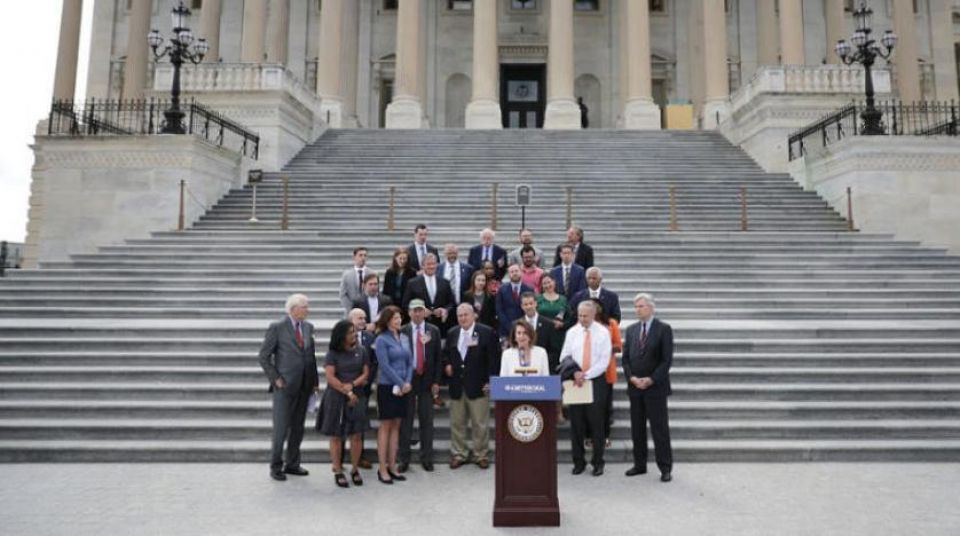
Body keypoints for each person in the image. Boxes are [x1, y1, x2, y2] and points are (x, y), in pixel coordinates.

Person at [258, 293, 319, 481]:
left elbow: (311, 356)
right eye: (305, 307)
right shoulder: (277, 328)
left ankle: (292, 463)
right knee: (281, 429)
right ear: (293, 309)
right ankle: (276, 466)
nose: (308, 310)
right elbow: (263, 356)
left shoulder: (308, 328)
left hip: (304, 385)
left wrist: (315, 381)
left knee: (298, 428)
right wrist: (275, 378)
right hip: (284, 386)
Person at [621, 293, 674, 482]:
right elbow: (625, 359)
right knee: (637, 428)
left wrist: (651, 379)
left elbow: (666, 360)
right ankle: (639, 464)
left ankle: (665, 467)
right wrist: (632, 378)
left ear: (651, 308)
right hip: (635, 388)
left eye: (641, 306)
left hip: (655, 388)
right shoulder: (631, 330)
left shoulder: (663, 329)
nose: (638, 310)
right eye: (636, 307)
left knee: (659, 429)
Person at [444, 303, 501, 469]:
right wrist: (447, 364)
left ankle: (480, 454)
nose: (462, 318)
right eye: (459, 315)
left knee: (480, 423)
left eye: (465, 315)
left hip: (478, 385)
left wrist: (491, 381)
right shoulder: (452, 333)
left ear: (473, 315)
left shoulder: (486, 332)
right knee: (457, 423)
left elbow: (493, 359)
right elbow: (447, 354)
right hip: (457, 385)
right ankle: (459, 453)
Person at [560, 300, 611, 476]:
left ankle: (598, 462)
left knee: (597, 424)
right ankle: (578, 462)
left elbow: (604, 361)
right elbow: (564, 356)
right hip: (575, 381)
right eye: (580, 315)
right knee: (576, 424)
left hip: (595, 381)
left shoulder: (603, 332)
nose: (582, 319)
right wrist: (575, 373)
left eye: (585, 316)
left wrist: (586, 375)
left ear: (594, 314)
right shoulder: (572, 332)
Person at [319, 320, 370, 488]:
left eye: (354, 331)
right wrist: (347, 391)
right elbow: (330, 377)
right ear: (341, 335)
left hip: (358, 396)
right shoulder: (332, 353)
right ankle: (338, 470)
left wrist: (353, 385)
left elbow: (365, 373)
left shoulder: (361, 350)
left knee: (356, 435)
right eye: (350, 332)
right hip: (336, 397)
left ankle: (355, 469)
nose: (354, 334)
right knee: (336, 435)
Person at [398, 300, 443, 473]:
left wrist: (437, 381)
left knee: (427, 420)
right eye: (414, 311)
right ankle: (404, 459)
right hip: (409, 380)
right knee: (406, 422)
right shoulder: (402, 331)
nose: (417, 314)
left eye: (420, 310)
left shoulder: (434, 331)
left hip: (427, 380)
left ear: (424, 312)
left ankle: (427, 457)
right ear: (409, 313)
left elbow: (439, 357)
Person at [373, 306, 413, 484]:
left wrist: (408, 382)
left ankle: (392, 465)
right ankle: (382, 468)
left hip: (404, 387)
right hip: (388, 387)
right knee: (386, 426)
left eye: (400, 318)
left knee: (397, 426)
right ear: (388, 320)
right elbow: (384, 365)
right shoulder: (382, 339)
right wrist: (400, 382)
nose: (399, 321)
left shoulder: (404, 337)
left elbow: (410, 361)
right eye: (396, 318)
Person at [347, 308, 376, 470]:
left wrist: (367, 380)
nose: (363, 321)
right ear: (350, 320)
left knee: (359, 424)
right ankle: (342, 455)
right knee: (344, 423)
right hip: (345, 388)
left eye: (364, 318)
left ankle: (359, 456)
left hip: (363, 388)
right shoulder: (343, 337)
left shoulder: (370, 337)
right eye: (359, 318)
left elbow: (374, 362)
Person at [402, 253, 455, 334]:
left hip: (441, 327)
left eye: (433, 264)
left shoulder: (445, 282)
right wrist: (419, 311)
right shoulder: (412, 283)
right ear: (422, 266)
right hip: (420, 326)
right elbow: (405, 304)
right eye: (428, 264)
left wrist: (445, 310)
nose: (431, 266)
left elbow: (451, 303)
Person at [520, 292, 562, 374]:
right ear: (521, 306)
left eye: (531, 303)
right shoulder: (516, 325)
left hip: (544, 369)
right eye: (525, 304)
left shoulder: (548, 324)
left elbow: (555, 350)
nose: (528, 307)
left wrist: (540, 361)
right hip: (522, 370)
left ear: (536, 304)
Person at [495, 264, 534, 339]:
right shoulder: (501, 289)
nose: (514, 273)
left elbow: (530, 309)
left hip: (524, 328)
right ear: (508, 274)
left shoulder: (529, 289)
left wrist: (522, 325)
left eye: (516, 271)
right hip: (505, 329)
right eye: (512, 272)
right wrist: (510, 326)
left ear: (521, 272)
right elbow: (499, 310)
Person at [383, 248, 416, 315]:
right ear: (395, 258)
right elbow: (385, 290)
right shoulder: (389, 272)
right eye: (400, 258)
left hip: (406, 304)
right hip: (392, 303)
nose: (402, 261)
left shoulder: (412, 272)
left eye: (404, 259)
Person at [339, 247, 369, 314]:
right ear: (354, 257)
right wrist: (351, 308)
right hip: (351, 311)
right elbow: (343, 294)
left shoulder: (372, 273)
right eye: (360, 255)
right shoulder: (347, 275)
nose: (363, 258)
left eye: (365, 255)